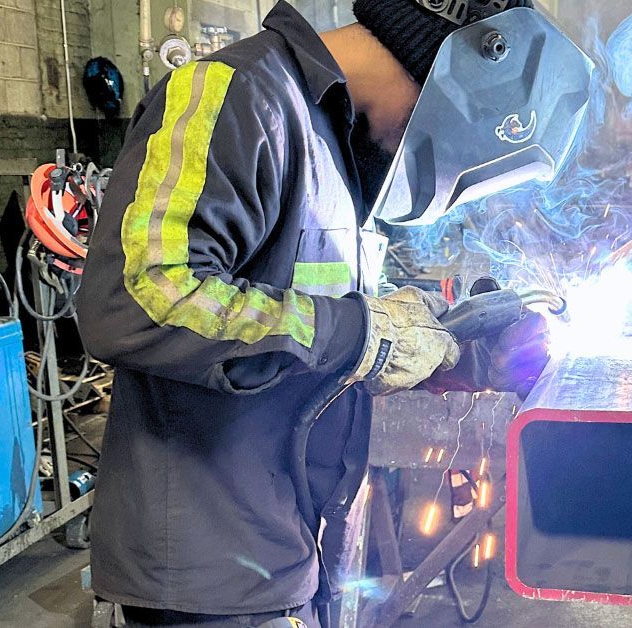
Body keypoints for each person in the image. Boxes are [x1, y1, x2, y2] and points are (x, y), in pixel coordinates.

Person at [74, 1, 588, 626]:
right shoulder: (241, 97)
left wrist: (463, 354)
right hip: (210, 570)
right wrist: (364, 334)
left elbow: (320, 330)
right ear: (460, 69)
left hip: (292, 550)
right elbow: (135, 298)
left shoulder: (338, 146)